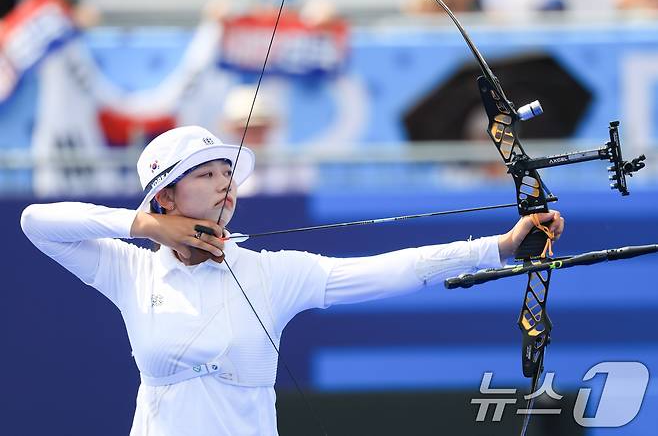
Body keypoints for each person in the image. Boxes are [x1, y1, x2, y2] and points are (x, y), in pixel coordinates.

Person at [20, 125, 564, 436]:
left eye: (227, 175)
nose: (224, 185)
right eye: (205, 175)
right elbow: (37, 223)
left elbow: (386, 270)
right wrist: (145, 226)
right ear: (166, 197)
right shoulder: (131, 268)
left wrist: (499, 245)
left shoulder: (273, 272)